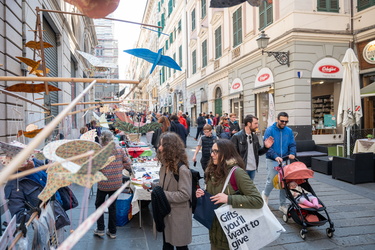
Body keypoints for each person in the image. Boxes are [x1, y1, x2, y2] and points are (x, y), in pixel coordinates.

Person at [196, 139, 263, 249]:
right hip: (215, 232)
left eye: (216, 151)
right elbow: (214, 195)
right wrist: (203, 194)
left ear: (226, 153)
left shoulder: (237, 173)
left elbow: (257, 200)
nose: (212, 154)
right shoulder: (211, 170)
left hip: (233, 235)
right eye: (211, 151)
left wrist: (228, 199)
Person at [143, 132, 192, 249]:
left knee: (181, 246)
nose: (159, 148)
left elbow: (185, 195)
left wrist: (161, 194)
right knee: (167, 244)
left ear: (170, 148)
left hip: (178, 215)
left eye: (162, 145)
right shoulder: (165, 165)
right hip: (166, 213)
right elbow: (163, 185)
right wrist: (152, 185)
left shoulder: (182, 169)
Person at [94, 130, 132, 239]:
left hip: (103, 183)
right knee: (112, 207)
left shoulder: (99, 150)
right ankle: (112, 231)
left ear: (102, 139)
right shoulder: (119, 149)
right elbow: (128, 163)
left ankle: (100, 229)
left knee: (99, 205)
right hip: (116, 183)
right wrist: (121, 167)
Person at [262, 112, 296, 214]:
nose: (284, 123)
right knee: (272, 180)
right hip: (272, 159)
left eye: (286, 121)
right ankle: (265, 194)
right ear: (277, 119)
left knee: (284, 182)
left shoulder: (289, 131)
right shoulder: (270, 130)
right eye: (282, 121)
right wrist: (275, 156)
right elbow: (267, 147)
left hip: (285, 159)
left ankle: (282, 204)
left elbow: (292, 144)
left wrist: (292, 153)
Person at [231, 115, 274, 180]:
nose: (257, 126)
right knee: (241, 189)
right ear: (248, 123)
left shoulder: (254, 137)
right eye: (255, 123)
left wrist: (266, 147)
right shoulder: (237, 137)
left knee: (249, 189)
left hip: (253, 168)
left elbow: (258, 152)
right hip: (242, 169)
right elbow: (232, 154)